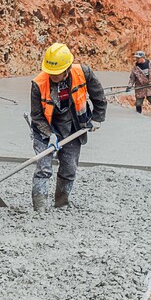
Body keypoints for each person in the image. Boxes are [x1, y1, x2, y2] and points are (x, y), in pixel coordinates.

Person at [28, 43, 107, 210]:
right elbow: (36, 116)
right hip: (45, 128)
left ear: (68, 68)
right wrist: (50, 134)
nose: (52, 76)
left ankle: (61, 202)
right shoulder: (38, 83)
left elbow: (99, 96)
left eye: (56, 73)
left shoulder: (83, 73)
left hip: (73, 126)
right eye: (50, 72)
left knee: (70, 166)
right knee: (44, 167)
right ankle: (40, 207)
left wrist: (97, 118)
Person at [129, 51, 151, 119]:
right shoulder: (135, 68)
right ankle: (138, 116)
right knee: (138, 103)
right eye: (136, 58)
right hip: (139, 87)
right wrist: (129, 86)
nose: (137, 59)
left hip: (150, 86)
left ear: (143, 58)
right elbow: (132, 78)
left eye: (138, 58)